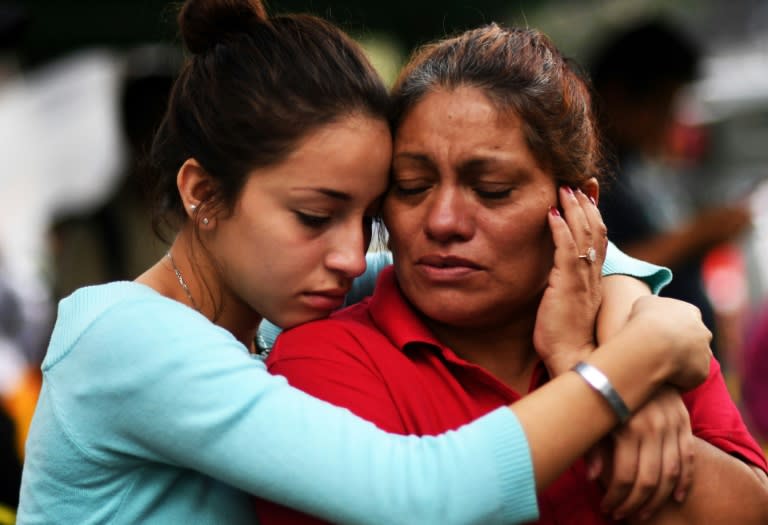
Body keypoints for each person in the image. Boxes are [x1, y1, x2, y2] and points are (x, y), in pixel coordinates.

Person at [17, 2, 714, 524]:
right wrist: (628, 365)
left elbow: (570, 253)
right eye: (315, 216)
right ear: (202, 193)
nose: (353, 252)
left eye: (373, 211)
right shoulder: (131, 340)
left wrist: (632, 311)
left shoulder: (284, 293)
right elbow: (422, 496)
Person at [260, 23, 768, 525]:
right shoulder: (322, 358)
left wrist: (583, 357)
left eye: (493, 189)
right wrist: (613, 382)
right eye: (412, 186)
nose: (442, 222)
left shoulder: (643, 330)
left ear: (578, 206)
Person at [589, 18, 753, 361]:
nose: (671, 118)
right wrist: (697, 235)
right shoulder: (589, 178)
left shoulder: (635, 168)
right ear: (621, 96)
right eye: (665, 103)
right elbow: (598, 268)